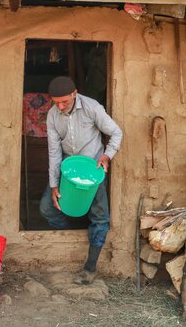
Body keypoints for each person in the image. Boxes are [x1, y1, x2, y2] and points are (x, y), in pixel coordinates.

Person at [39, 76, 123, 285]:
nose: (60, 106)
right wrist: (54, 184)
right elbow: (54, 152)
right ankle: (71, 233)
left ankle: (90, 268)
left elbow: (115, 133)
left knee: (100, 217)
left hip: (93, 169)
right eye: (56, 102)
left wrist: (107, 156)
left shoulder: (91, 107)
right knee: (48, 208)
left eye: (65, 101)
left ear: (74, 94)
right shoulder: (52, 116)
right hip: (69, 170)